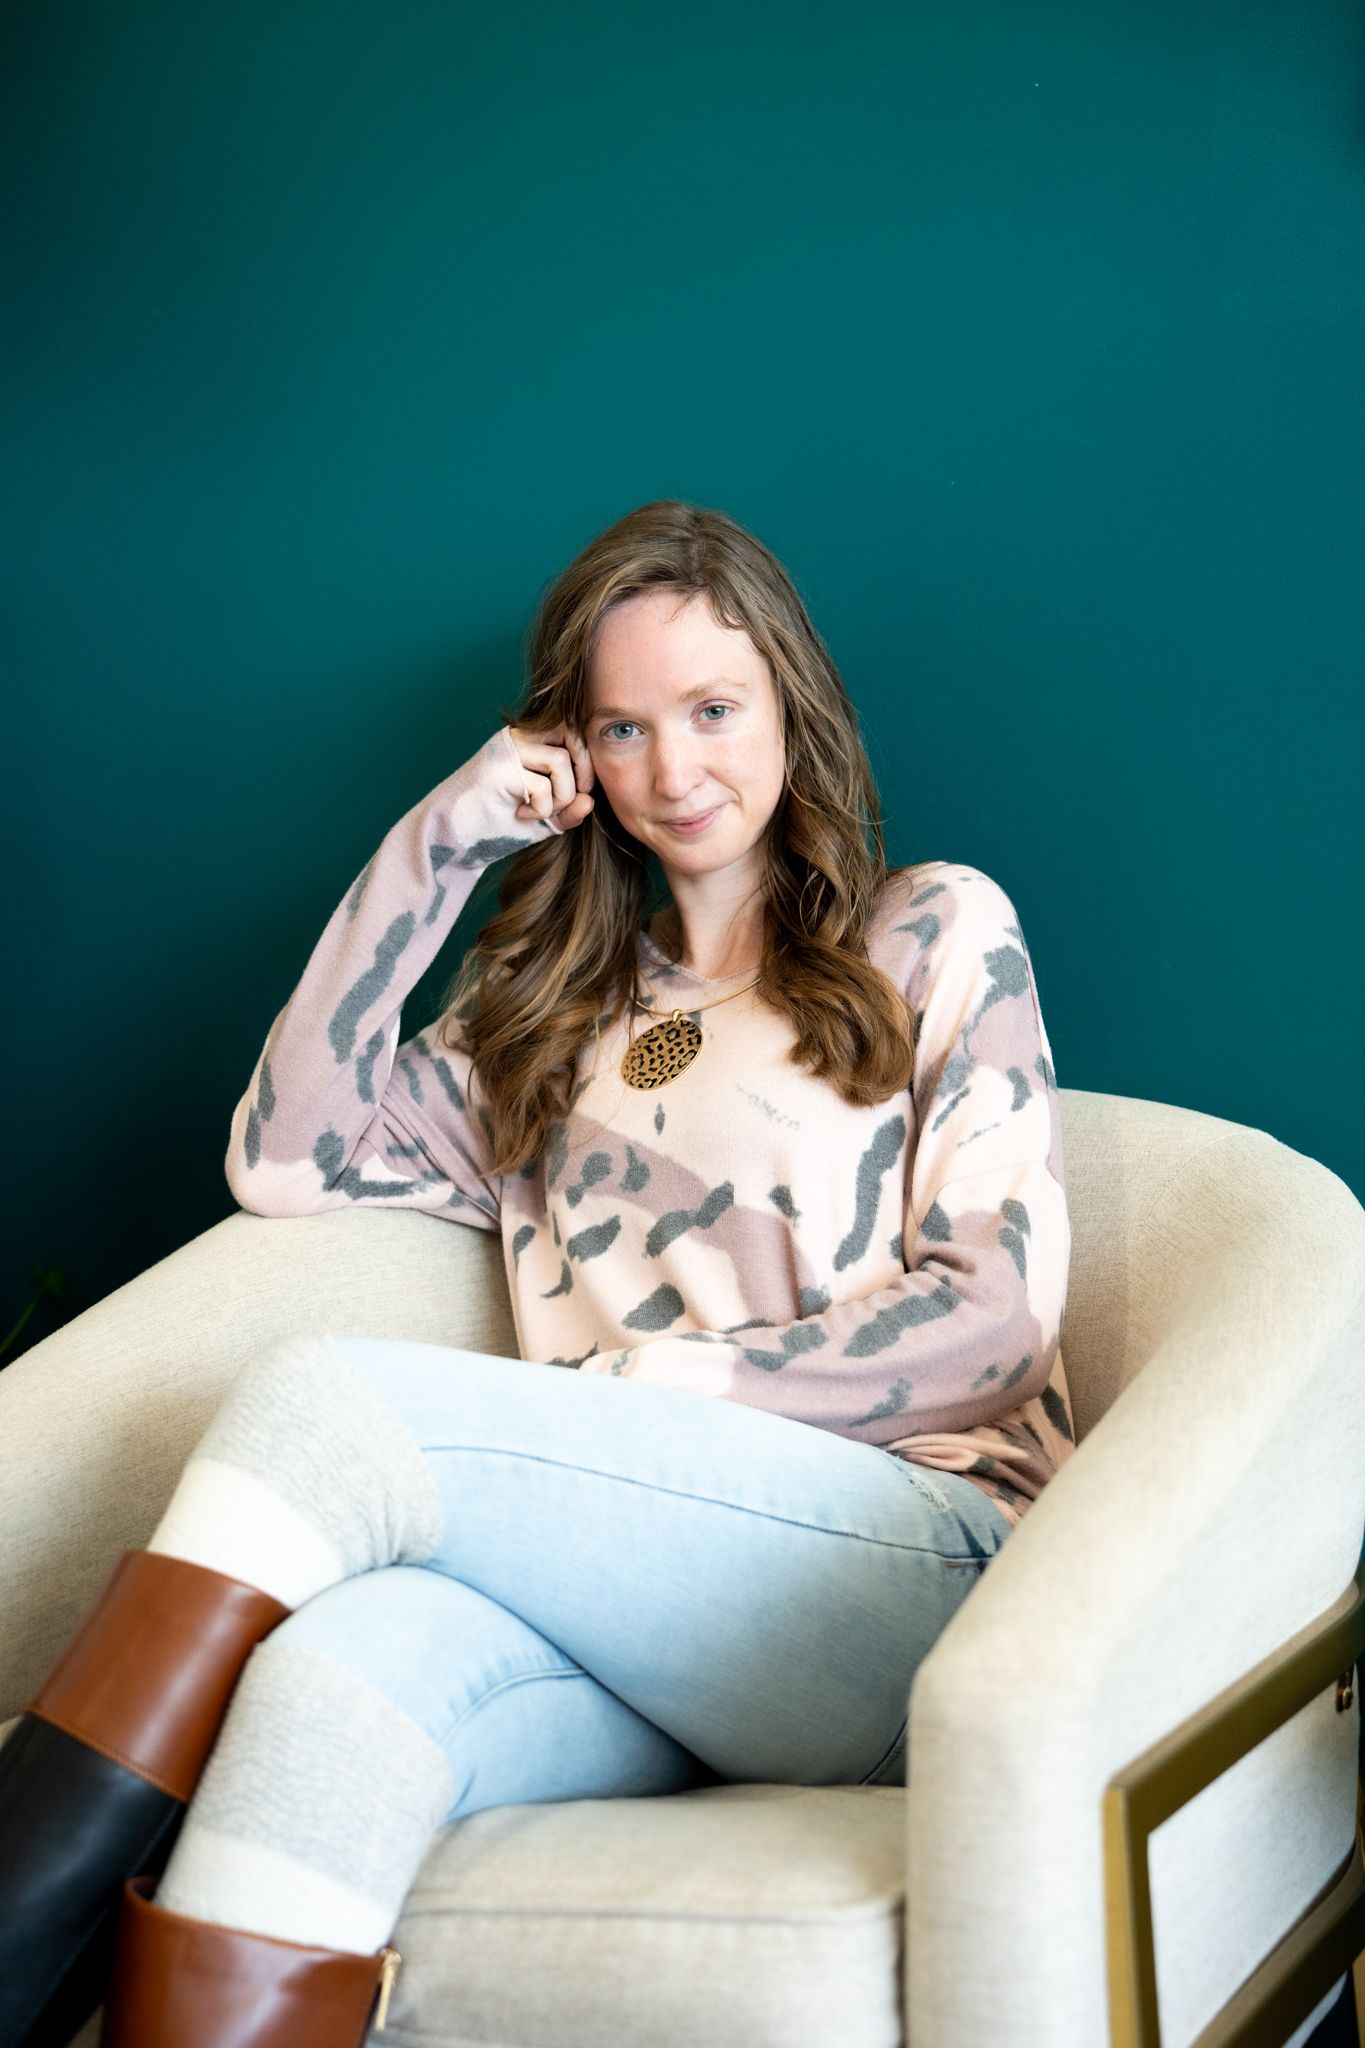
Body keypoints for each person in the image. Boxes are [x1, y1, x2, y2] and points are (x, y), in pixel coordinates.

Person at [0, 499, 1075, 2048]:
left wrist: (644, 1386)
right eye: (623, 729)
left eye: (714, 710)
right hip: (632, 1609)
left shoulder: (934, 931)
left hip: (912, 1566)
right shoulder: (545, 1032)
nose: (676, 768)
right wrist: (432, 844)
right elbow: (283, 1160)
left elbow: (995, 1318)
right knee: (327, 1693)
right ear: (572, 755)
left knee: (325, 1405)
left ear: (790, 703)